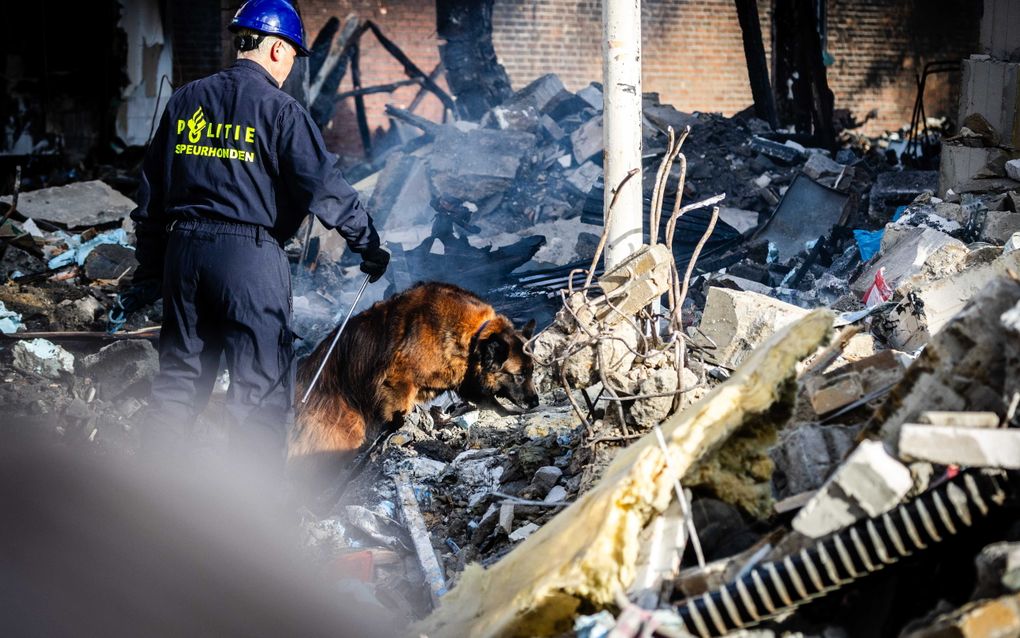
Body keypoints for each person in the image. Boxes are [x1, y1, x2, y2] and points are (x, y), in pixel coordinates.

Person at [128, 0, 389, 468]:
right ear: (275, 49)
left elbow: (150, 192)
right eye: (292, 55)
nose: (290, 66)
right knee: (260, 388)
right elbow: (324, 186)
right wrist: (368, 243)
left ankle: (149, 499)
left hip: (184, 254)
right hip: (247, 257)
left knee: (179, 383)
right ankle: (252, 513)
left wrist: (151, 270)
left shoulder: (186, 99)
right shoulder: (281, 111)